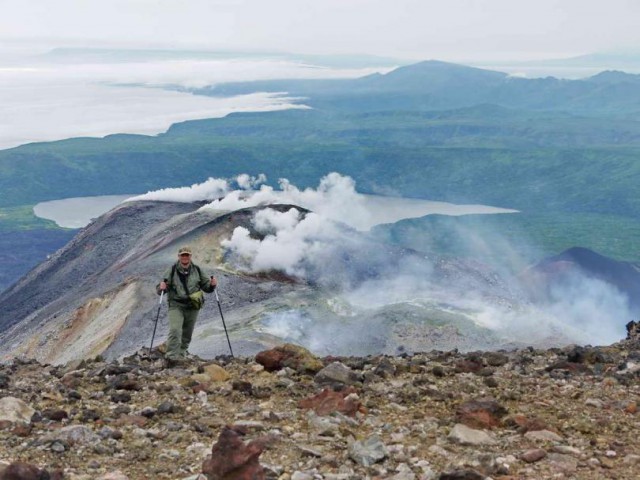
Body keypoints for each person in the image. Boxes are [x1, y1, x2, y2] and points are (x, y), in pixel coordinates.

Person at [157, 246, 217, 366]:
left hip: (193, 306)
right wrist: (161, 287)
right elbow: (162, 288)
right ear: (179, 257)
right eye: (182, 255)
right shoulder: (172, 270)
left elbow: (206, 287)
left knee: (187, 333)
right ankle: (171, 357)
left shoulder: (198, 270)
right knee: (175, 330)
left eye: (187, 255)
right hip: (176, 305)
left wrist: (212, 285)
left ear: (190, 256)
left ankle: (181, 355)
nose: (185, 257)